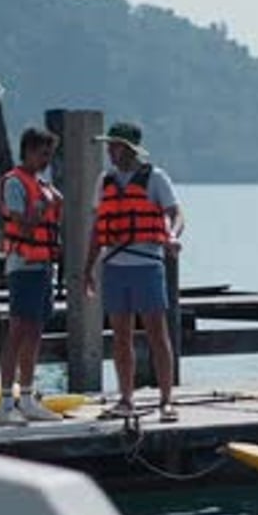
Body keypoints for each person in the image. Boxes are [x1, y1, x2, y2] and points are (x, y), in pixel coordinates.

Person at [84, 122, 184, 422]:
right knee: (120, 336)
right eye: (108, 146)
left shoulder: (155, 178)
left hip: (147, 264)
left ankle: (167, 400)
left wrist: (174, 236)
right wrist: (88, 268)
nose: (109, 152)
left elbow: (175, 213)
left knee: (157, 334)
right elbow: (97, 228)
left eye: (113, 146)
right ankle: (125, 399)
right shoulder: (105, 181)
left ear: (128, 148)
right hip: (114, 265)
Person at [0, 126, 63, 425]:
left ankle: (27, 398)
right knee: (18, 331)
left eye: (50, 154)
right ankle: (5, 403)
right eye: (44, 153)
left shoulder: (40, 182)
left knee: (35, 333)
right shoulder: (14, 183)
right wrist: (43, 205)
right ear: (29, 151)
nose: (47, 160)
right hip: (23, 264)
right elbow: (23, 226)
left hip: (43, 265)